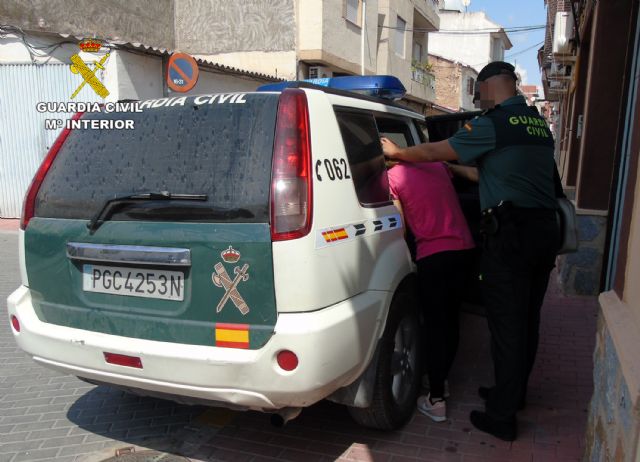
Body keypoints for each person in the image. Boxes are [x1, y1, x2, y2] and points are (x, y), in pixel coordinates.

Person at [381, 61, 560, 441]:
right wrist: (458, 173)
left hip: (510, 236)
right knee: (527, 320)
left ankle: (502, 417)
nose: (478, 101)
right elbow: (496, 172)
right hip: (544, 232)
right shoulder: (536, 124)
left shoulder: (492, 123)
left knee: (507, 325)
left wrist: (398, 152)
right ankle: (511, 394)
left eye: (479, 93)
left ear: (491, 86)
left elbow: (436, 152)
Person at [386, 157, 474, 422]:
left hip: (433, 255)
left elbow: (399, 227)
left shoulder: (393, 178)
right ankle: (441, 379)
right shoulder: (436, 166)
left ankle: (436, 400)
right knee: (450, 321)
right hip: (464, 250)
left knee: (434, 326)